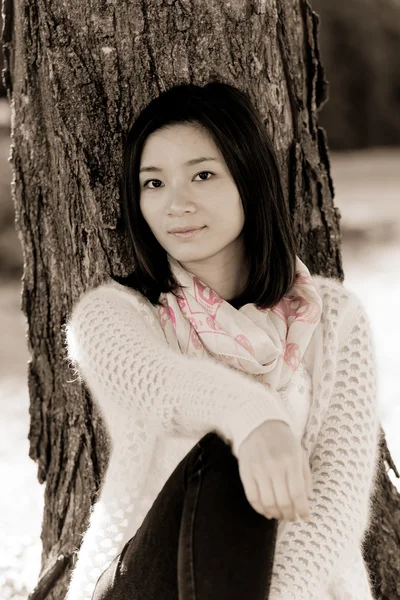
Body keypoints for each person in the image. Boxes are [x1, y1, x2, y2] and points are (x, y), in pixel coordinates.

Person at [63, 81, 381, 600]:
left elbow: (334, 499)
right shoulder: (114, 317)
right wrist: (256, 420)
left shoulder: (335, 318)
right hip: (146, 584)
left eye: (203, 175)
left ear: (248, 181)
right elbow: (164, 386)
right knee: (230, 452)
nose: (176, 204)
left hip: (295, 590)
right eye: (153, 183)